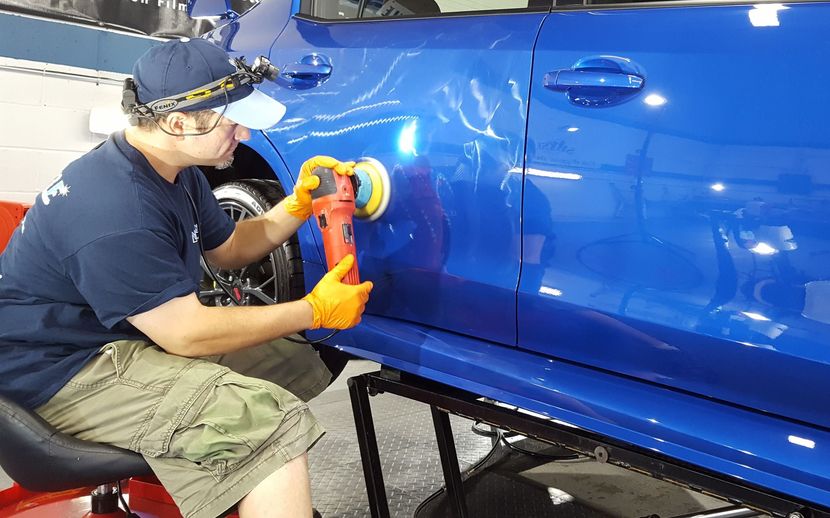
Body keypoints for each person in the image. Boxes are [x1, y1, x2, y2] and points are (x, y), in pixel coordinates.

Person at [0, 38, 373, 518]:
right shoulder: (117, 206)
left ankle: (224, 472)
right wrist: (312, 310)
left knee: (295, 362)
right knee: (271, 424)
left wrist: (295, 206)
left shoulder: (175, 167)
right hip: (60, 373)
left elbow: (231, 248)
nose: (243, 134)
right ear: (178, 122)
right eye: (231, 121)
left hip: (115, 337)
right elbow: (186, 334)